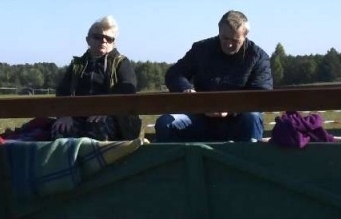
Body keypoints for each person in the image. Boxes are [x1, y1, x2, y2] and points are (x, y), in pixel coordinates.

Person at [155, 10, 273, 142]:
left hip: (238, 120)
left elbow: (261, 93)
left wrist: (231, 109)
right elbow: (175, 74)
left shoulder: (258, 57)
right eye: (224, 38)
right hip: (200, 117)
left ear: (245, 35)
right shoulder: (201, 49)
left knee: (252, 116)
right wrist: (186, 89)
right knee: (165, 123)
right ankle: (174, 162)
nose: (229, 44)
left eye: (235, 40)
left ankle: (247, 161)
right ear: (219, 31)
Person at [53, 15, 140, 140]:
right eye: (98, 37)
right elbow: (62, 92)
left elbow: (127, 91)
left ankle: (102, 160)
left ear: (113, 43)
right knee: (60, 129)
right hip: (76, 116)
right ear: (88, 40)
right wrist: (65, 115)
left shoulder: (121, 63)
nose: (103, 41)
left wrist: (106, 110)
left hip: (111, 117)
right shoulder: (77, 65)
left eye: (109, 38)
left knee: (97, 126)